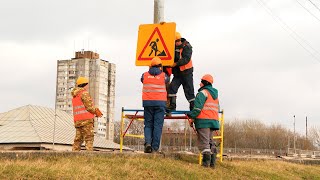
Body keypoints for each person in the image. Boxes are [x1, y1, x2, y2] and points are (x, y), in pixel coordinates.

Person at [187, 74, 220, 168]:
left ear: (205, 83)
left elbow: (197, 109)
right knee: (210, 142)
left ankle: (205, 163)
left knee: (204, 143)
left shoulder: (203, 93)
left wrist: (191, 116)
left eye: (201, 82)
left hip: (203, 121)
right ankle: (212, 164)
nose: (199, 84)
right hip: (213, 121)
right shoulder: (215, 96)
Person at [141, 57, 169, 153]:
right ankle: (154, 148)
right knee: (157, 126)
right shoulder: (164, 76)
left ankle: (148, 143)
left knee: (148, 124)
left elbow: (142, 79)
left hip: (147, 103)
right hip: (160, 104)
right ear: (160, 66)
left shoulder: (144, 75)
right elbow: (167, 80)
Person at [71, 76, 103, 151]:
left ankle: (73, 155)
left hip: (78, 121)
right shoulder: (84, 93)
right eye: (87, 84)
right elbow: (89, 107)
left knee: (78, 140)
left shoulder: (75, 95)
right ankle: (89, 156)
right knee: (89, 138)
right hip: (86, 120)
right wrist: (97, 112)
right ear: (85, 84)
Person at [167, 32, 195, 114]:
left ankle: (193, 108)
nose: (177, 42)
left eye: (178, 40)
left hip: (187, 73)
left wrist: (175, 64)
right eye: (175, 41)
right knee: (172, 88)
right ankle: (172, 106)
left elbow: (186, 59)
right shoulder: (173, 47)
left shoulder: (187, 47)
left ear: (181, 40)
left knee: (189, 91)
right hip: (178, 73)